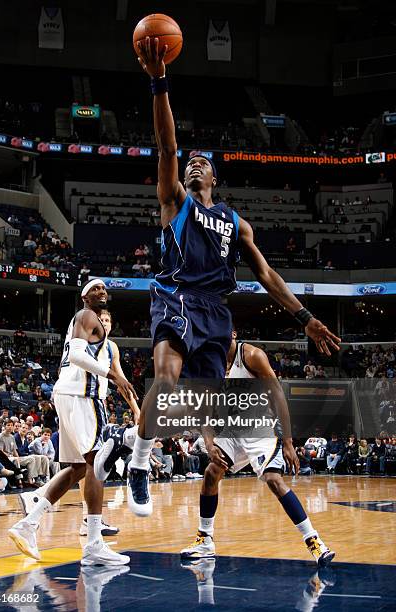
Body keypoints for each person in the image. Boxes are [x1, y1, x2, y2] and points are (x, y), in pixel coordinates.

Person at [114, 36, 341, 517]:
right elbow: (167, 143)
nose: (193, 164)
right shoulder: (175, 203)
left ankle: (142, 440)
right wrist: (159, 83)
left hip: (216, 314)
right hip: (175, 296)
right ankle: (138, 461)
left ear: (214, 178)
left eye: (203, 163)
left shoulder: (236, 223)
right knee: (167, 381)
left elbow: (266, 274)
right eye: (189, 163)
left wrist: (306, 319)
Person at [8, 279, 135, 566]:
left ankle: (28, 523)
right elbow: (77, 356)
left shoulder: (90, 324)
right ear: (84, 297)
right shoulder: (86, 316)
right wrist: (113, 376)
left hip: (67, 394)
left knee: (78, 467)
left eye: (104, 289)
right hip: (81, 395)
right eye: (95, 289)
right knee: (96, 462)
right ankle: (93, 543)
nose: (102, 292)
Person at [180, 331, 334, 567]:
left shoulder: (252, 355)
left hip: (261, 429)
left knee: (273, 479)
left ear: (231, 333)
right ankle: (204, 540)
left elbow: (278, 396)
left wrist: (288, 441)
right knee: (212, 473)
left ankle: (314, 541)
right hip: (232, 430)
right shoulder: (210, 365)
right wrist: (209, 443)